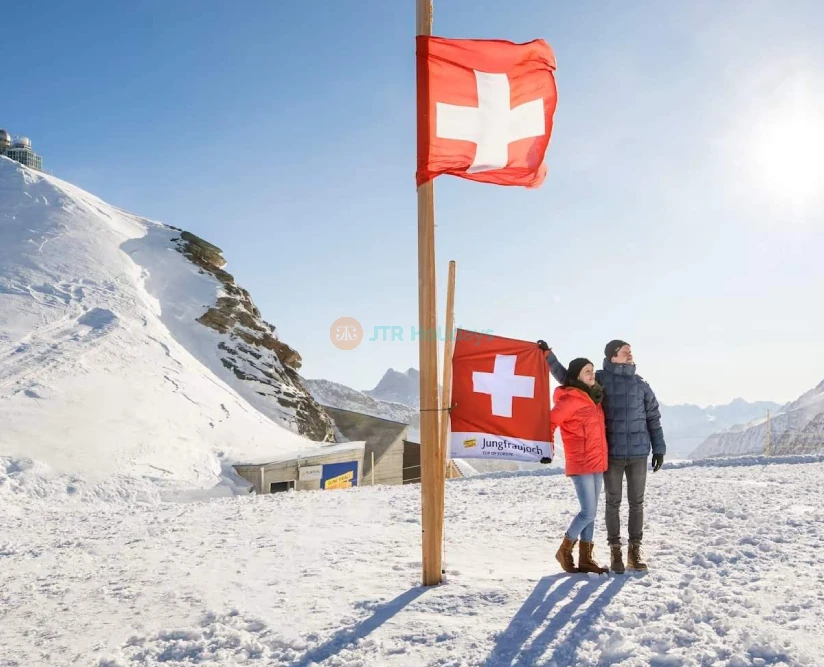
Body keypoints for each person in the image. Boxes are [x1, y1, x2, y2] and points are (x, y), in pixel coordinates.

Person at [538, 339, 666, 573]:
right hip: (612, 455)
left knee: (636, 503)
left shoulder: (641, 385)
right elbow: (568, 377)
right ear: (612, 356)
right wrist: (548, 356)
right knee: (611, 504)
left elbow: (653, 419)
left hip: (637, 453)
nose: (630, 354)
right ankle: (615, 551)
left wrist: (659, 447)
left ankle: (634, 551)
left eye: (631, 351)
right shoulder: (601, 380)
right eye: (625, 351)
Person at [549, 357, 609, 575]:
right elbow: (550, 421)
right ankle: (564, 550)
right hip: (581, 462)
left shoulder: (594, 398)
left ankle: (586, 559)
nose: (592, 374)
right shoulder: (571, 400)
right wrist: (548, 450)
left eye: (592, 370)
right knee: (588, 512)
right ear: (576, 376)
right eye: (586, 371)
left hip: (597, 462)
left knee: (591, 513)